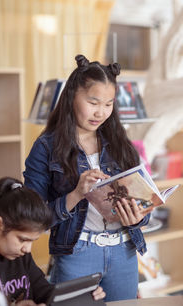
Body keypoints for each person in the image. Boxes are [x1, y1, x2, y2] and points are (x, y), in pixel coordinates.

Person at [23, 54, 152, 302]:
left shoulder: (121, 145)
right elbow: (33, 218)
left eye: (108, 104)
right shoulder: (46, 147)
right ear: (72, 96)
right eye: (93, 102)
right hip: (77, 253)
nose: (101, 112)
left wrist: (138, 217)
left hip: (123, 251)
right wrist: (76, 194)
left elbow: (145, 206)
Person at [0, 177, 105, 306]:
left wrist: (82, 295)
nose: (27, 249)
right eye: (23, 239)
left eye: (32, 241)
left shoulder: (19, 254)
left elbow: (45, 293)